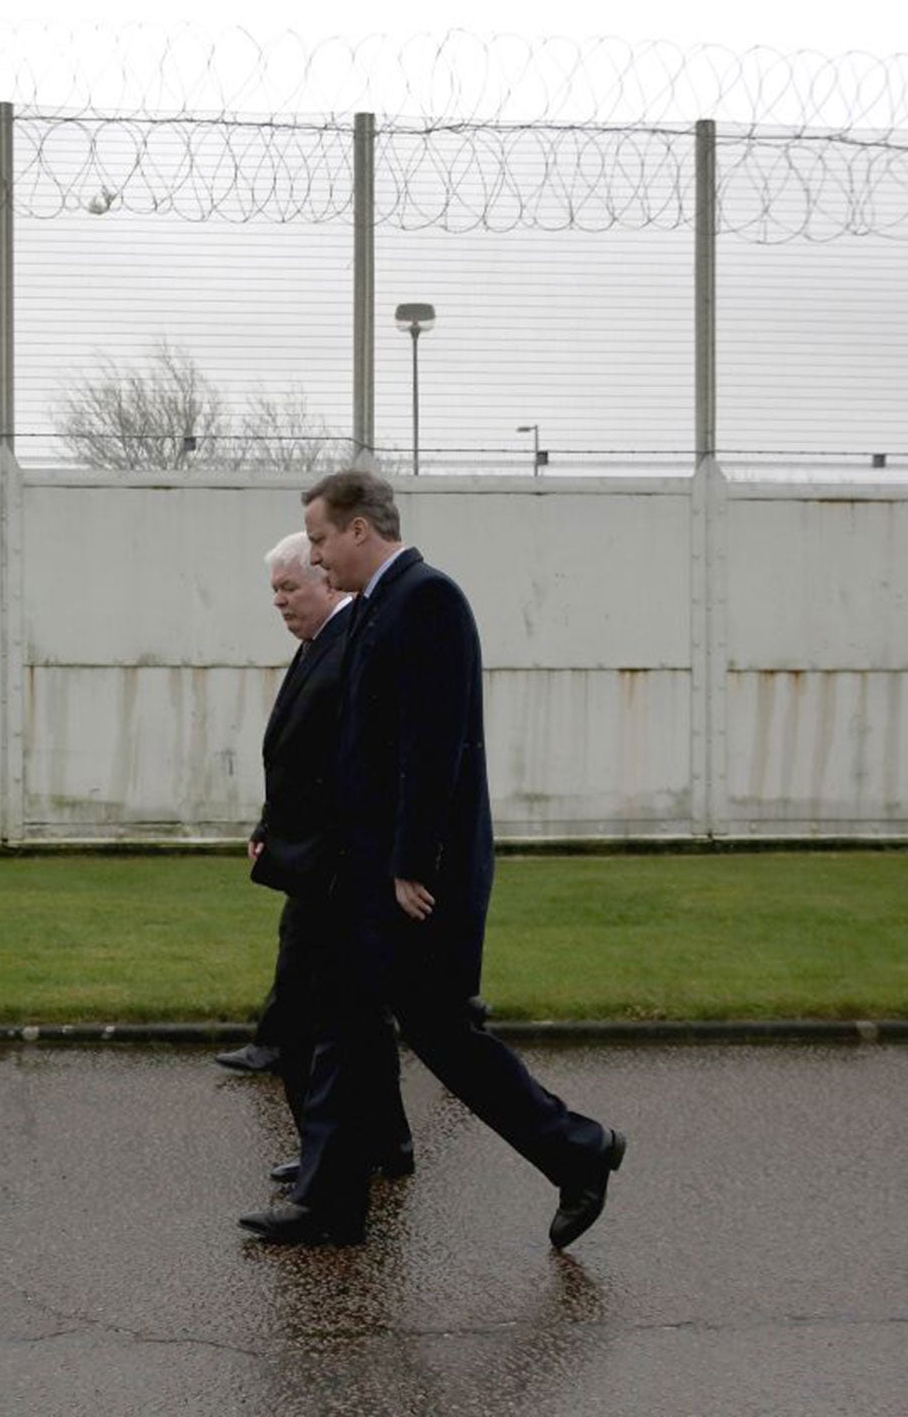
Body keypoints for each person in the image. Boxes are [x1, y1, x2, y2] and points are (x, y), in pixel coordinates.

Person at [239, 469, 625, 1250]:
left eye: (318, 540)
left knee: (443, 1036)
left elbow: (434, 744)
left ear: (358, 529)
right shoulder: (382, 607)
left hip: (413, 879)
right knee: (348, 1026)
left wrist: (413, 864)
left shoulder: (428, 599)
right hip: (371, 869)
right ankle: (332, 1204)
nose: (315, 560)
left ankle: (579, 1149)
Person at [224, 533, 413, 1184]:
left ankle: (328, 1156)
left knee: (311, 1024)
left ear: (324, 581)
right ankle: (383, 1142)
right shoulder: (316, 648)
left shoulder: (349, 648)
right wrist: (269, 825)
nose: (278, 602)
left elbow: (353, 770)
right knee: (352, 1017)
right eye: (274, 591)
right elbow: (298, 766)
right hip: (314, 860)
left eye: (288, 588)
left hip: (334, 869)